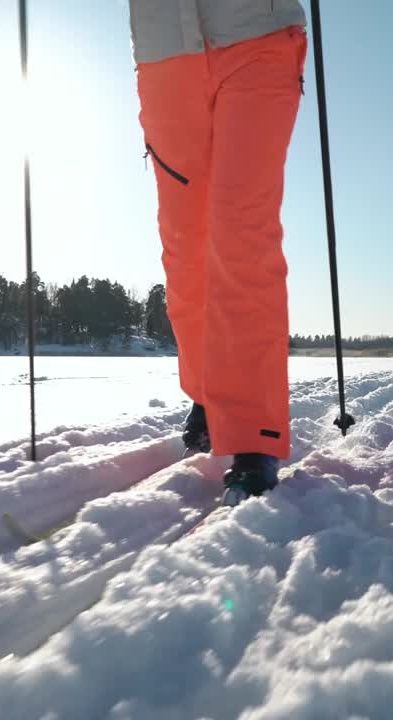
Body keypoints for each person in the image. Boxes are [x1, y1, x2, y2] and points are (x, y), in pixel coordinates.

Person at [129, 1, 308, 505]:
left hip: (257, 33)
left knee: (241, 232)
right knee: (185, 247)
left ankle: (252, 433)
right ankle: (210, 396)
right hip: (165, 52)